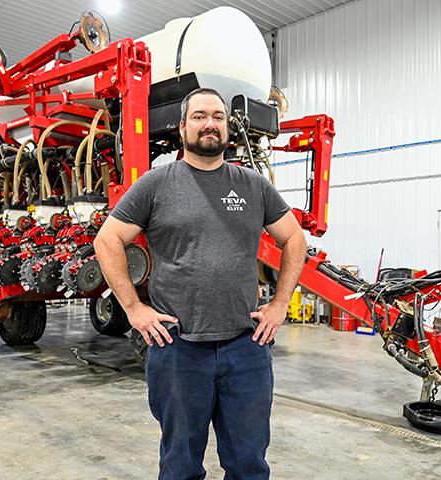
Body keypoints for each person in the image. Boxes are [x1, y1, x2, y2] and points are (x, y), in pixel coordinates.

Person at [94, 88, 307, 480]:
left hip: (247, 346)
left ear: (227, 127)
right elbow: (107, 240)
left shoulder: (253, 185)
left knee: (249, 465)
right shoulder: (156, 184)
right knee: (180, 464)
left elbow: (294, 238)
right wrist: (134, 309)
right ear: (182, 127)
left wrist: (279, 305)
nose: (209, 123)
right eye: (199, 116)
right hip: (177, 349)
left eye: (218, 117)